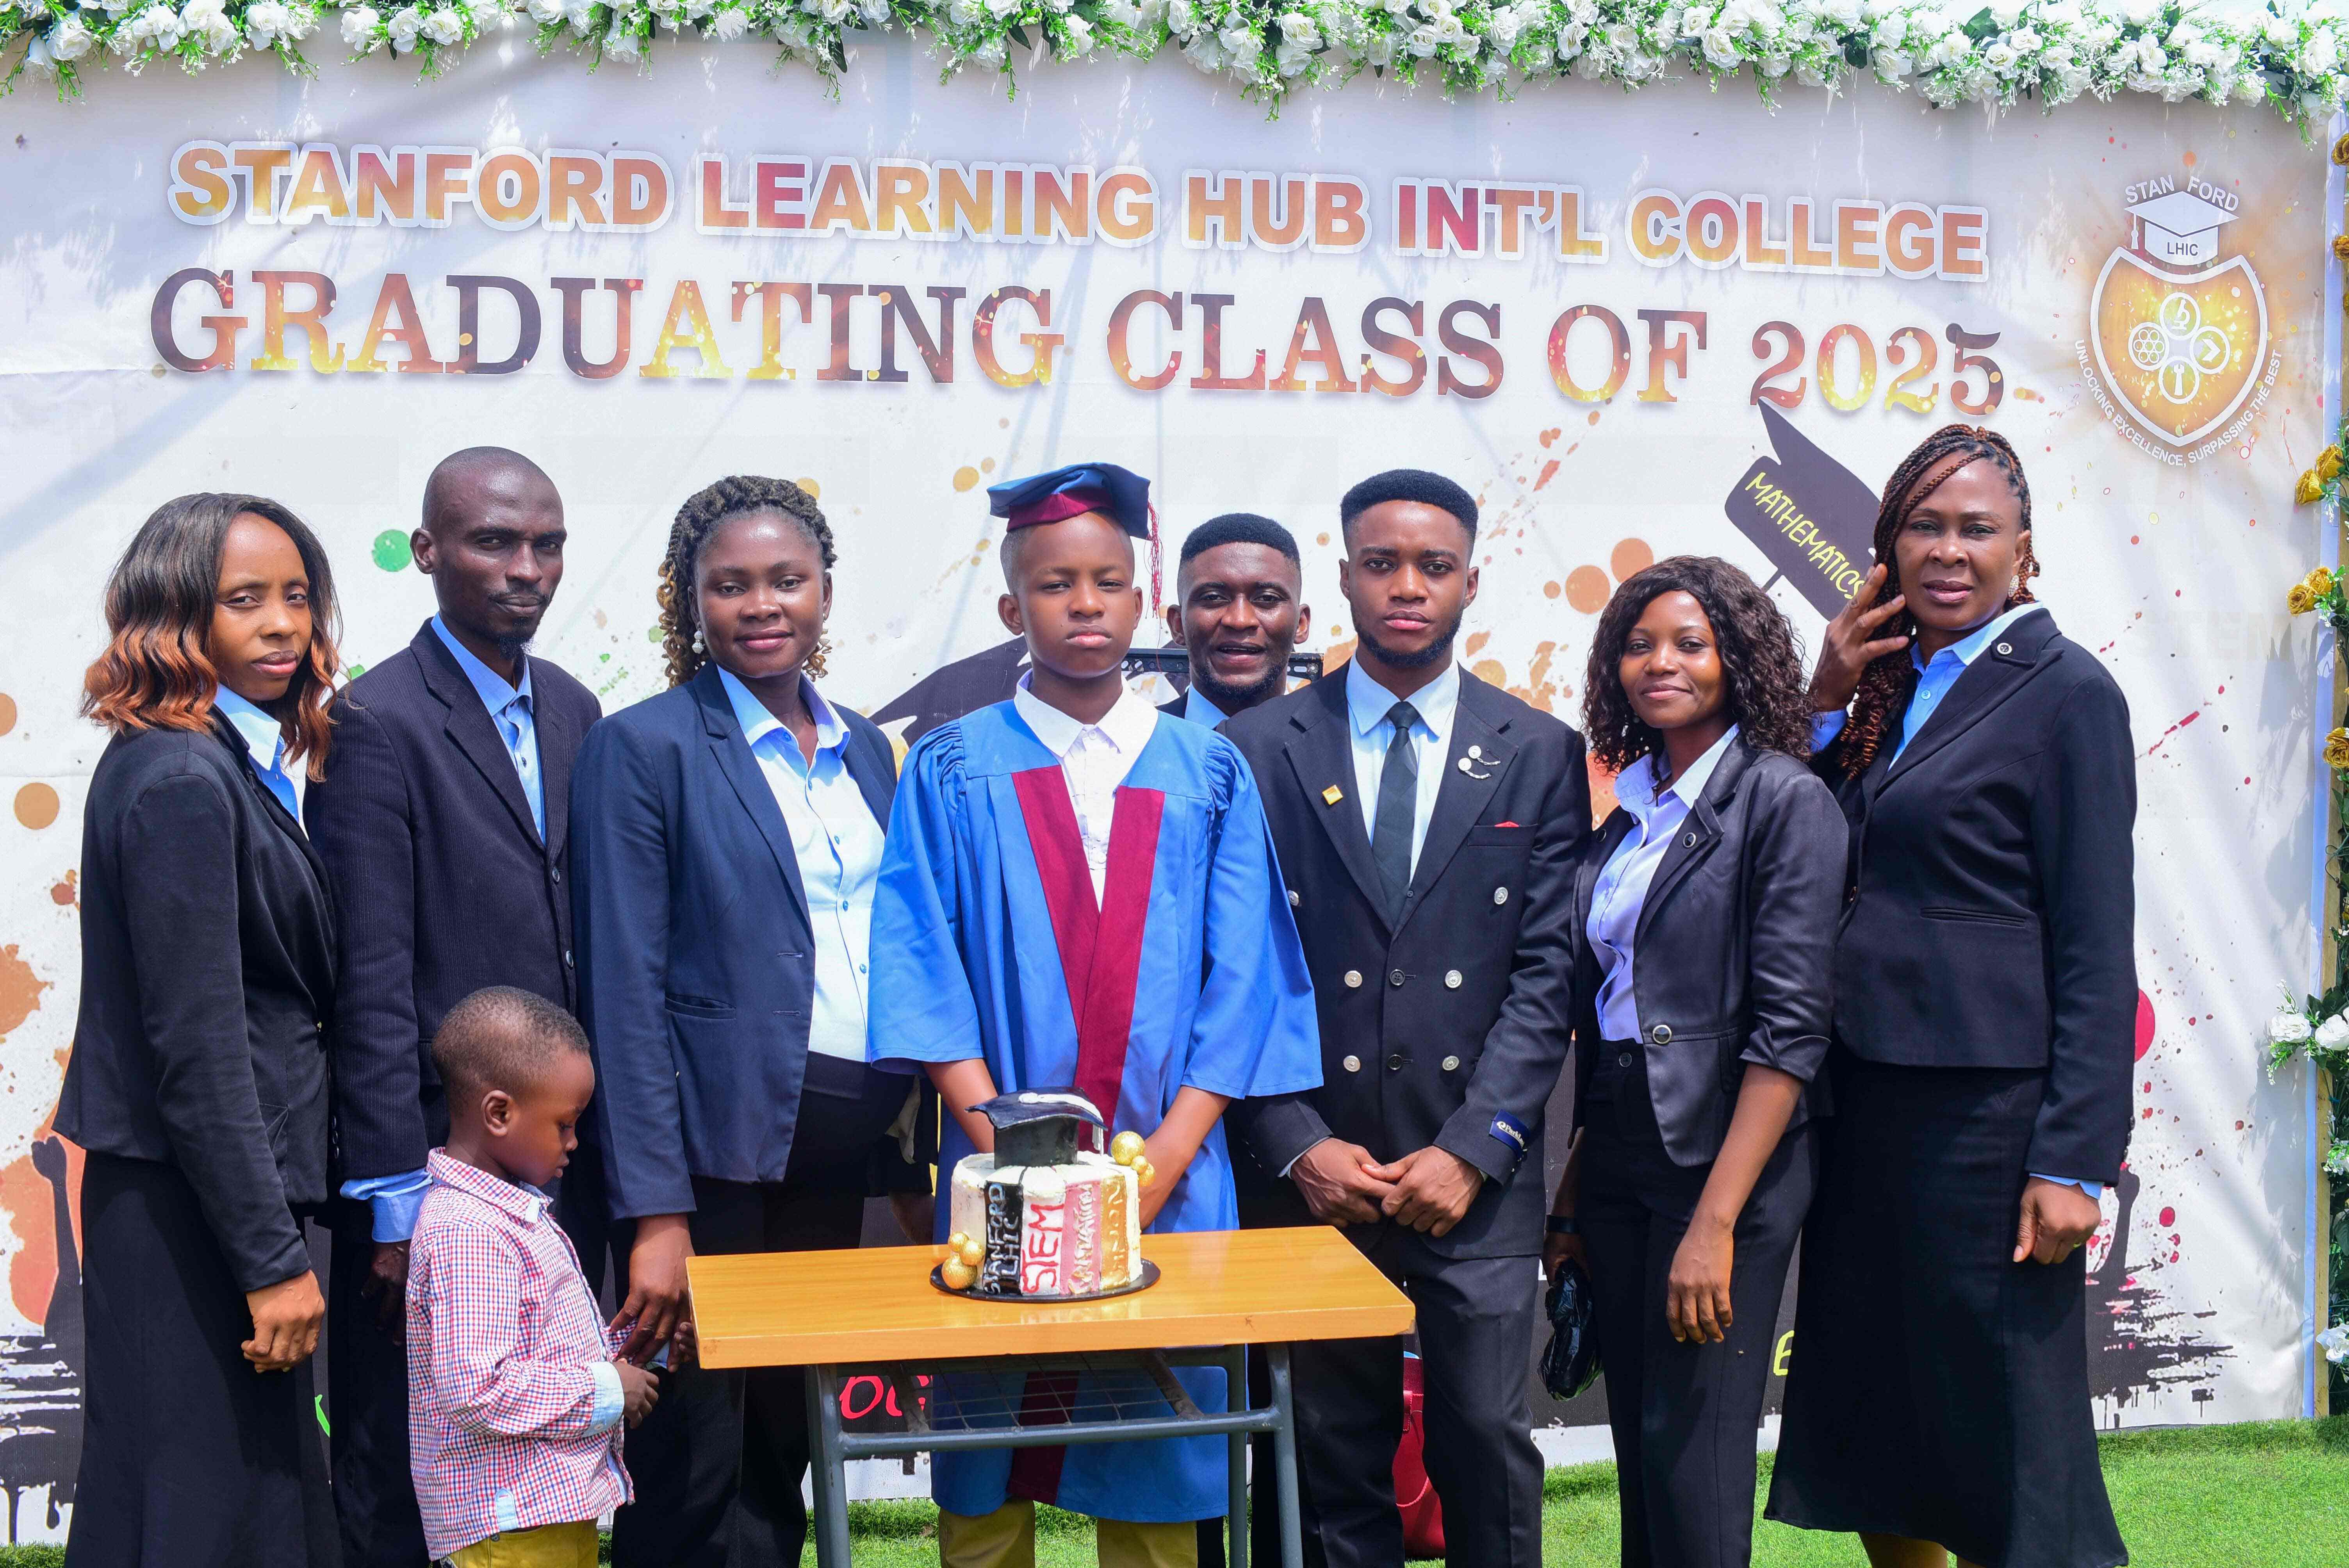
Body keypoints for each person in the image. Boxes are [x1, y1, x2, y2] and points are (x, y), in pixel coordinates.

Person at [867, 461, 1319, 1568]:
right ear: (1012, 607)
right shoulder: (951, 765)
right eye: (1056, 584)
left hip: (1171, 1166)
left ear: (1139, 599)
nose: (1083, 605)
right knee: (984, 1485)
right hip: (995, 1169)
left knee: (1163, 1478)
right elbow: (921, 960)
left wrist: (1169, 1152)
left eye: (1107, 581)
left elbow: (1243, 972)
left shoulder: (1206, 769)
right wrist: (1002, 1144)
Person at [1764, 425, 2134, 1568]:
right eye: (1922, 526)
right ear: (1883, 548)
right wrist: (1822, 700)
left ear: (2022, 546)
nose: (1947, 551)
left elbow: (2093, 940)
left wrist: (2073, 1156)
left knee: (2004, 1435)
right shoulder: (1883, 686)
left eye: (1974, 528)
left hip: (1987, 1121)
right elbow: (1800, 837)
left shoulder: (2069, 693)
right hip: (1858, 1107)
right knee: (1877, 1412)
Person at [1220, 468, 1588, 1568]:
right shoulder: (1257, 750)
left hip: (1469, 1175)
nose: (1408, 588)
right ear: (1342, 580)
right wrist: (1294, 1144)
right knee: (1331, 1455)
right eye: (1382, 565)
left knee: (1485, 1440)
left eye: (1433, 566)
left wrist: (1475, 1151)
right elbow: (1231, 971)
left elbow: (1544, 974)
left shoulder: (1537, 749)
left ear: (1473, 578)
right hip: (1319, 1165)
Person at [570, 474, 921, 1568]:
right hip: (715, 1164)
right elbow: (623, 990)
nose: (762, 605)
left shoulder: (867, 745)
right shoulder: (646, 747)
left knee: (782, 1434)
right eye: (730, 586)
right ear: (690, 603)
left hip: (835, 1151)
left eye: (786, 580)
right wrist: (658, 1214)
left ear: (825, 591)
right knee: (691, 1449)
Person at [307, 446, 605, 1568]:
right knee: (403, 1462)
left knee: (529, 1465)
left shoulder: (576, 707)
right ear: (428, 552)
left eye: (547, 544)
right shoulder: (374, 721)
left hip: (553, 1156)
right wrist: (395, 1204)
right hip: (433, 1185)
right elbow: (371, 983)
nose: (524, 569)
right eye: (493, 542)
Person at [1541, 557, 1844, 1568]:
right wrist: (1578, 1187)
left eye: (1688, 643)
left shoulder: (1785, 799)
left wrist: (1715, 1222)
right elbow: (1616, 1010)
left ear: (1739, 658)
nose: (1658, 662)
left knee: (1697, 1459)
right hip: (1625, 1145)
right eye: (1637, 644)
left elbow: (1791, 1029)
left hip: (1727, 1160)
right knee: (1642, 1447)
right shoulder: (1631, 808)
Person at [59, 493, 343, 1567]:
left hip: (213, 1201)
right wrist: (270, 1261)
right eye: (244, 601)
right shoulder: (181, 776)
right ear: (177, 616)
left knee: (241, 1508)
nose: (282, 625)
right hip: (192, 1216)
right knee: (199, 1511)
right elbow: (198, 1050)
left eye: (298, 597)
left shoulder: (225, 761)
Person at [408, 987, 657, 1568]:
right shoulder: (468, 1230)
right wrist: (607, 1391)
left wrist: (639, 1355)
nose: (573, 1143)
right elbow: (479, 1390)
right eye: (565, 1124)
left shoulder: (509, 1216)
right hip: (508, 1529)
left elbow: (539, 1354)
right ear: (499, 1113)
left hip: (542, 1518)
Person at [1159, 512, 1312, 725]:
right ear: (1178, 625)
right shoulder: (1137, 746)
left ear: (1301, 624)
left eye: (1267, 598)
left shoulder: (1340, 749)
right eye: (1213, 598)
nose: (1240, 620)